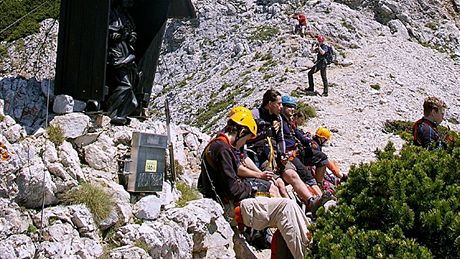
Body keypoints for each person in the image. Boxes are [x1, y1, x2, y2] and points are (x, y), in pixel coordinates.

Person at [198, 109, 311, 258]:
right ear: (242, 130)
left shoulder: (216, 146)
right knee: (285, 208)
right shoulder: (223, 149)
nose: (244, 142)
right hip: (232, 207)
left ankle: (308, 243)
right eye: (246, 138)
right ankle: (308, 254)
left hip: (230, 203)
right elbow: (233, 190)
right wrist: (251, 187)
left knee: (288, 206)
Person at [248, 90, 327, 211]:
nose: (281, 107)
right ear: (270, 104)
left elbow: (281, 139)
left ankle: (311, 201)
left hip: (276, 155)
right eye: (279, 104)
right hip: (261, 156)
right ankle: (293, 209)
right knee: (278, 183)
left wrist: (282, 155)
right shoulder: (254, 115)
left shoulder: (278, 118)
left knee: (292, 174)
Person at [280, 96, 323, 196]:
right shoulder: (280, 122)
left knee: (322, 157)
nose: (292, 109)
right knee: (307, 176)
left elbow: (298, 134)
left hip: (295, 151)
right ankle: (319, 197)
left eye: (293, 106)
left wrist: (310, 142)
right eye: (289, 106)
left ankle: (319, 186)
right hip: (289, 154)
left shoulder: (288, 122)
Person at [106, 0, 139, 125]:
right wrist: (114, 35)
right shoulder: (112, 13)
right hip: (116, 51)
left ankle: (121, 112)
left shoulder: (125, 14)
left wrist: (132, 36)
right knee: (125, 84)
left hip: (125, 49)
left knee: (132, 81)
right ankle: (113, 112)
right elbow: (107, 31)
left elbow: (132, 31)